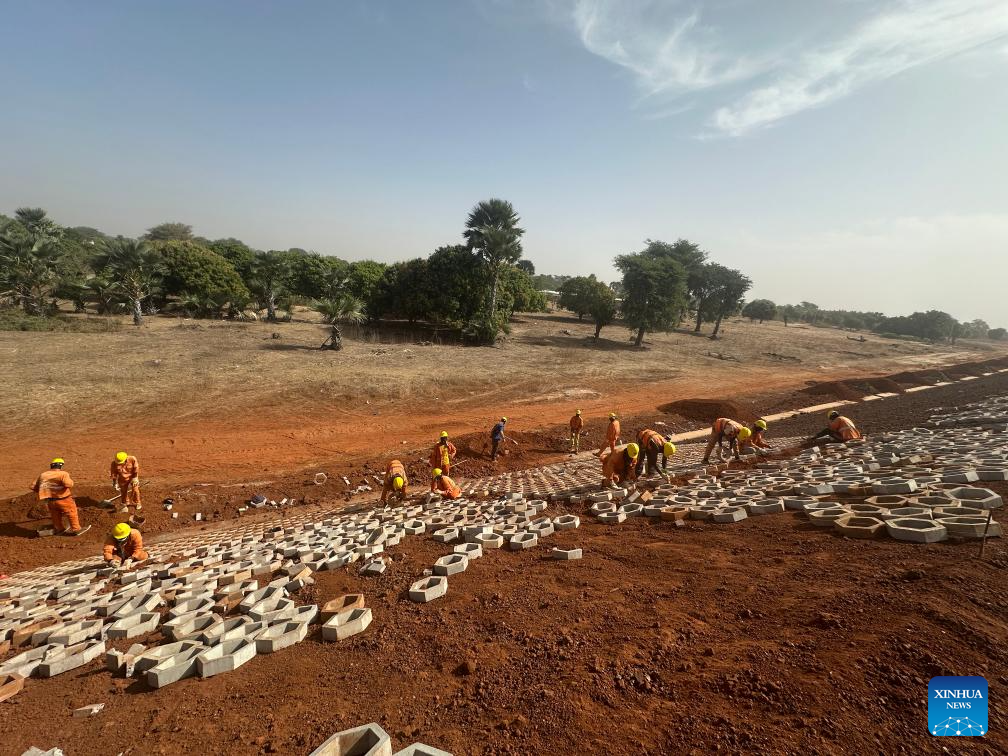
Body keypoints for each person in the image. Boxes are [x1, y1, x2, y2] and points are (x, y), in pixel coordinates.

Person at [30, 458, 90, 536]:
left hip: (50, 501)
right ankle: (76, 529)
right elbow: (68, 484)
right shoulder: (63, 474)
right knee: (72, 512)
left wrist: (43, 490)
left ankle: (59, 529)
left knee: (55, 515)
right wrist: (71, 482)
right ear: (60, 466)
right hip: (64, 499)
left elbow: (32, 486)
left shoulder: (43, 475)